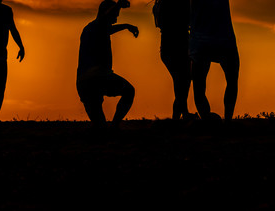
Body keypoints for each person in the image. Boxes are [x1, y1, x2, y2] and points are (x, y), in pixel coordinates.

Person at [77, 0, 139, 129]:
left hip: (84, 83)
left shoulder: (92, 28)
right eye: (115, 15)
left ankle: (109, 129)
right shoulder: (97, 26)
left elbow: (108, 27)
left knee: (100, 127)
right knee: (129, 91)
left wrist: (127, 26)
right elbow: (104, 19)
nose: (116, 18)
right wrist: (118, 5)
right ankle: (115, 125)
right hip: (97, 79)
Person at [190, 0, 239, 121]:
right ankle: (227, 119)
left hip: (200, 42)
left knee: (199, 85)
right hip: (224, 40)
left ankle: (206, 118)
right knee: (232, 81)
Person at [153, 0, 197, 120]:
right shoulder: (179, 4)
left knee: (182, 82)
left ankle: (180, 115)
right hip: (179, 46)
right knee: (183, 81)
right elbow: (189, 21)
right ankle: (180, 116)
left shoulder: (162, 4)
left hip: (169, 46)